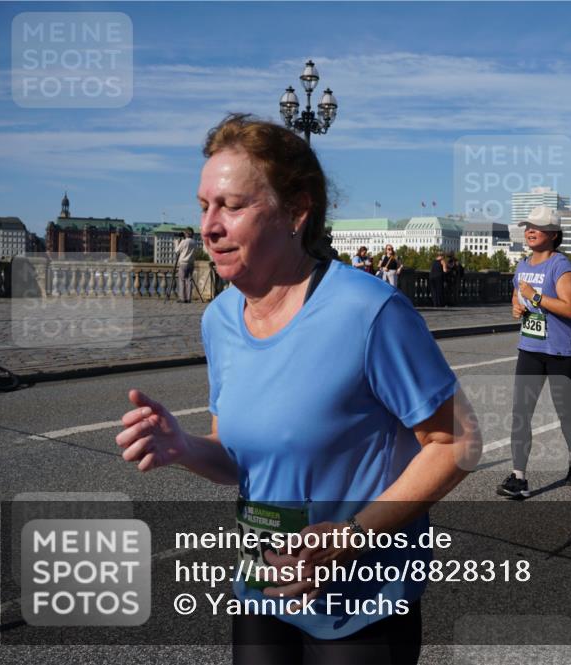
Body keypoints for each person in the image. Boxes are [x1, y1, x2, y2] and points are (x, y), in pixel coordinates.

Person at [115, 114, 480, 664]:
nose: (209, 226)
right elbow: (246, 462)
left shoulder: (369, 311)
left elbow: (458, 443)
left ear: (295, 212)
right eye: (204, 205)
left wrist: (350, 537)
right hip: (262, 588)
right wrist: (185, 448)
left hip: (363, 604)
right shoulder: (219, 320)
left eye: (232, 206)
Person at [498, 206, 571, 499]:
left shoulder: (560, 266)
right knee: (521, 413)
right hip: (530, 348)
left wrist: (535, 296)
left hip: (561, 350)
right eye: (528, 226)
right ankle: (518, 477)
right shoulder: (522, 266)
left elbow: (570, 308)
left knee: (563, 412)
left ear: (554, 234)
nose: (530, 230)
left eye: (537, 226)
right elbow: (516, 296)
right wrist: (517, 306)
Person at [174, 227, 198, 303]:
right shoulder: (194, 242)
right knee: (189, 280)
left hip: (183, 263)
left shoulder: (184, 242)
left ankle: (182, 298)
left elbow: (177, 251)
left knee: (182, 280)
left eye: (184, 233)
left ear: (187, 234)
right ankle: (188, 298)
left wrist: (176, 243)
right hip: (191, 263)